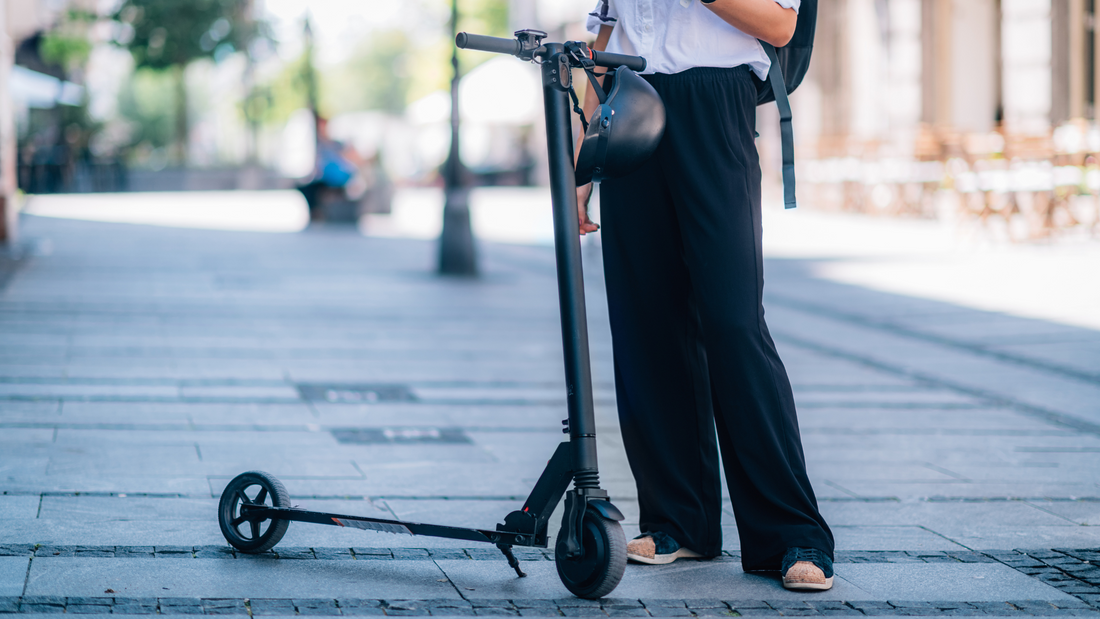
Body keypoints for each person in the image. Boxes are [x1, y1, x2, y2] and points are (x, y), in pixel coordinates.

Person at [576, 0, 836, 591]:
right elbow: (603, 44)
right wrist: (582, 168)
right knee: (647, 327)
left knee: (733, 323)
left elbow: (781, 24)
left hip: (715, 102)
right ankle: (679, 522)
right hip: (631, 105)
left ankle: (794, 535)